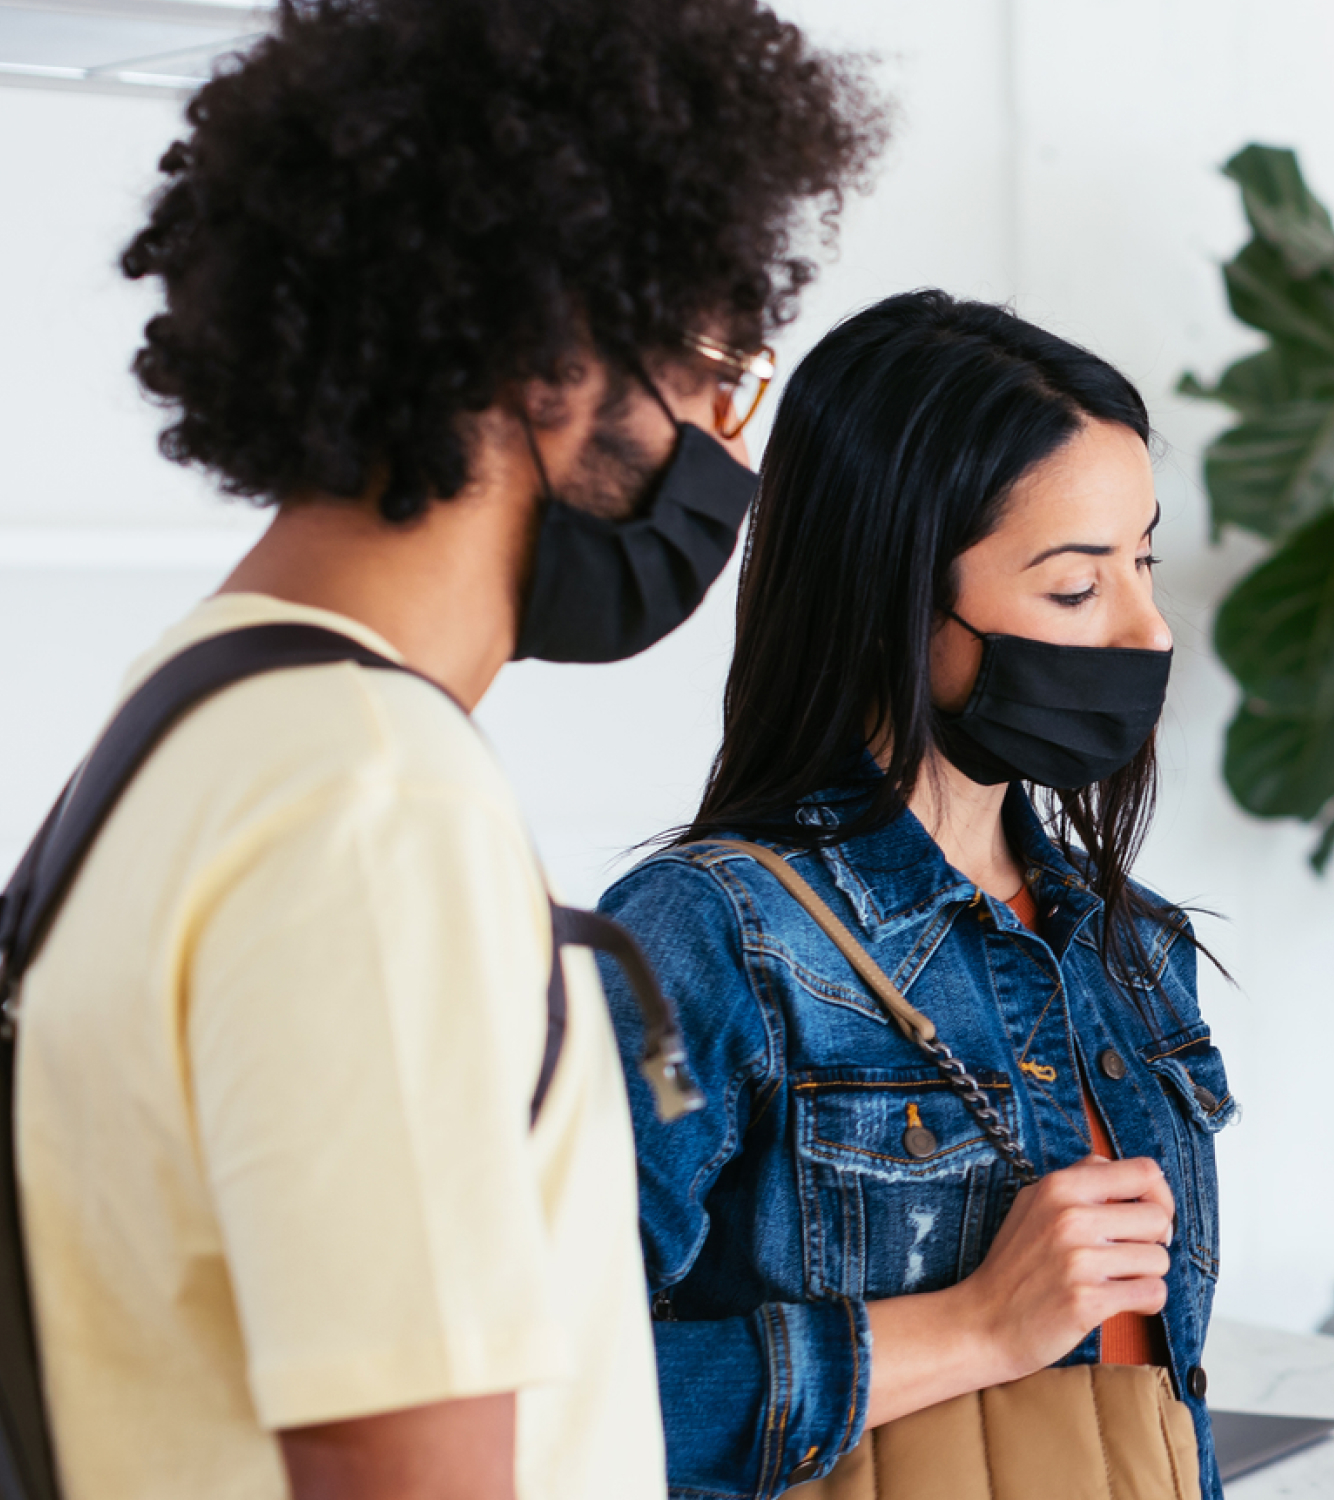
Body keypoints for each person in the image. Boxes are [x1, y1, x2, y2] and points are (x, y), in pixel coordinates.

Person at [3, 2, 878, 1496]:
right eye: (718, 371)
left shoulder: (188, 725)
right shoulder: (370, 801)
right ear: (552, 356)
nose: (724, 449)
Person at [595, 291, 1232, 1499]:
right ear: (895, 590)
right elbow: (542, 1403)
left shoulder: (1136, 951)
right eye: (1073, 587)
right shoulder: (708, 938)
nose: (1147, 628)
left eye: (1142, 559)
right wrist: (976, 1329)